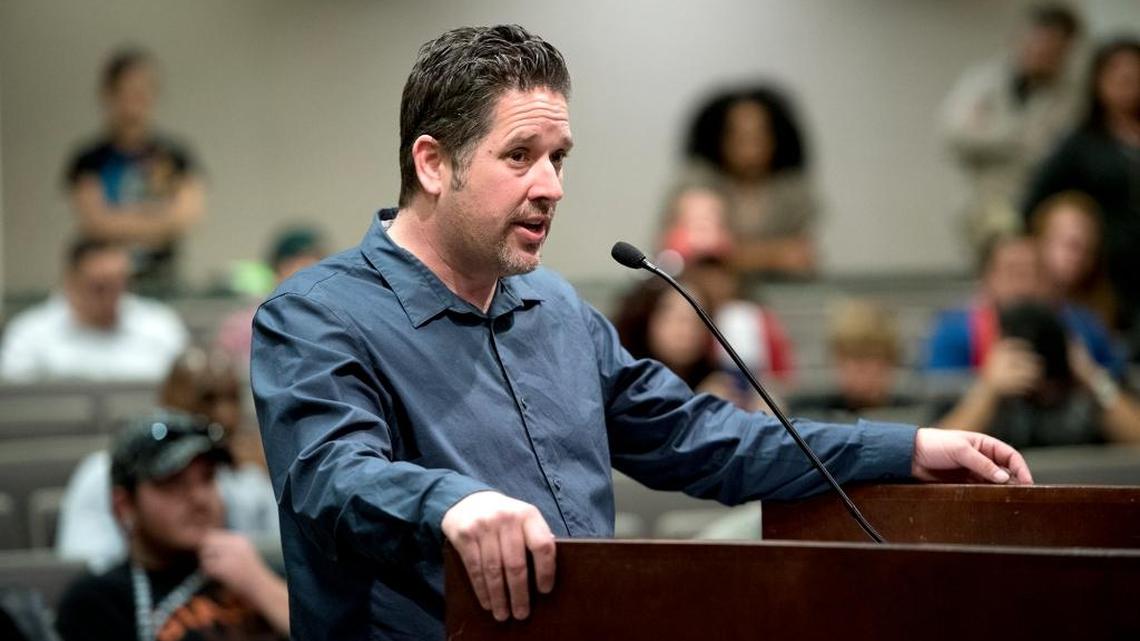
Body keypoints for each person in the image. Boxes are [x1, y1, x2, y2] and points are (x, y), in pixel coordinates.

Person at [250, 25, 1032, 641]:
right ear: (431, 163)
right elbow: (329, 476)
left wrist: (906, 449)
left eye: (558, 157)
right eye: (519, 156)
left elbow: (707, 437)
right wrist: (450, 502)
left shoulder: (555, 310)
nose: (551, 186)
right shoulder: (315, 315)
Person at [55, 410, 289, 641]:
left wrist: (260, 585)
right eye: (172, 483)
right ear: (124, 506)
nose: (199, 498)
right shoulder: (100, 601)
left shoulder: (262, 572)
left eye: (207, 478)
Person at [56, 348, 279, 572]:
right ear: (168, 399)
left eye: (232, 398)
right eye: (207, 398)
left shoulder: (248, 479)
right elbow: (88, 570)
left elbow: (274, 562)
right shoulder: (103, 474)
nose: (224, 415)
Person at [1022, 37, 1140, 352]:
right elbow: (1034, 200)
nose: (1127, 80)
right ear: (1098, 82)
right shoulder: (1081, 143)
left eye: (1135, 72)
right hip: (1105, 270)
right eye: (1117, 72)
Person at [941, 4, 1083, 251]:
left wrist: (988, 131)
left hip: (1039, 206)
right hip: (982, 204)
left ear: (1066, 50)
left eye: (1051, 48)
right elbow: (955, 135)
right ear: (1020, 39)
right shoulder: (981, 81)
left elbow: (1053, 155)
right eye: (1036, 43)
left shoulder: (1073, 98)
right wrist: (1020, 140)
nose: (1040, 53)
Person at [64, 48, 205, 292]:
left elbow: (184, 218)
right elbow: (94, 223)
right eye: (126, 91)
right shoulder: (89, 160)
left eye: (143, 91)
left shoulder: (175, 156)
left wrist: (119, 219)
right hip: (104, 283)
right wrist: (157, 218)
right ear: (108, 95)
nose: (135, 101)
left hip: (163, 279)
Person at [935, 300, 1140, 448]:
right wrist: (988, 390)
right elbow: (941, 451)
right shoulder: (987, 398)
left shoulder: (1087, 395)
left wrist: (1093, 377)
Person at [925, 234, 1124, 379]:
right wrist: (989, 391)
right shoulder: (956, 332)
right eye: (1013, 273)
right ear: (989, 280)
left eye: (1036, 273)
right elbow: (939, 428)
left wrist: (1091, 378)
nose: (1025, 285)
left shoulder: (1082, 328)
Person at [674, 84, 820, 278]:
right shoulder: (698, 182)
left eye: (759, 136)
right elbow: (693, 255)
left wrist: (732, 255)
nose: (749, 149)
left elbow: (801, 258)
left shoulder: (791, 191)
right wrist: (773, 255)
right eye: (738, 137)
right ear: (719, 139)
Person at [0, 238, 188, 382]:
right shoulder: (29, 333)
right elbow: (15, 404)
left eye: (120, 285)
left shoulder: (161, 325)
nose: (111, 297)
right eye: (99, 287)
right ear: (70, 282)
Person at [213, 226, 327, 369]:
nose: (306, 271)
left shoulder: (327, 319)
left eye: (315, 263)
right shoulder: (249, 321)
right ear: (277, 268)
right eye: (297, 264)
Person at [793, 299, 919, 421]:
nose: (861, 370)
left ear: (891, 361)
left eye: (870, 356)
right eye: (852, 357)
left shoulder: (919, 415)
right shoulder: (805, 416)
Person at [1029, 190, 1117, 331]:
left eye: (1087, 248)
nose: (1078, 256)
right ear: (1038, 240)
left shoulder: (1087, 320)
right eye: (1071, 244)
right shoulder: (1007, 303)